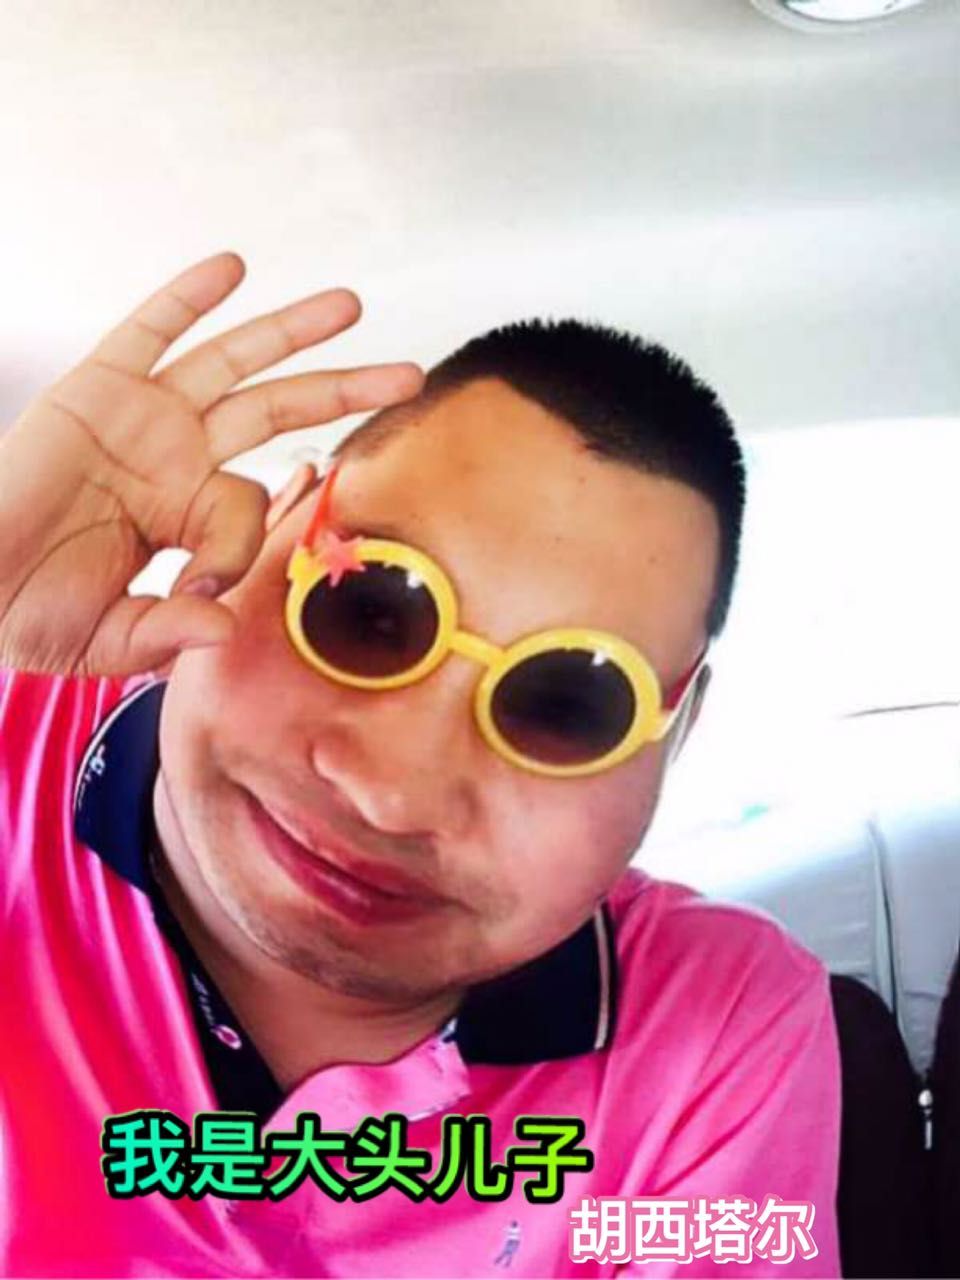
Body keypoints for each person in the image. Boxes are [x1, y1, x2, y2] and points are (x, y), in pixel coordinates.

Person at [0, 253, 840, 1277]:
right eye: (368, 607)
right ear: (270, 526)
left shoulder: (720, 1027)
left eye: (568, 706)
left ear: (679, 730)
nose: (392, 794)